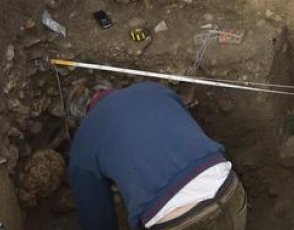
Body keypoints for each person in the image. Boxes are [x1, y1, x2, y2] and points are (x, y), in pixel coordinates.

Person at [67, 81, 247, 230]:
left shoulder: (85, 138)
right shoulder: (153, 89)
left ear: (80, 118)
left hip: (179, 220)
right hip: (229, 189)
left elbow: (96, 218)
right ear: (107, 89)